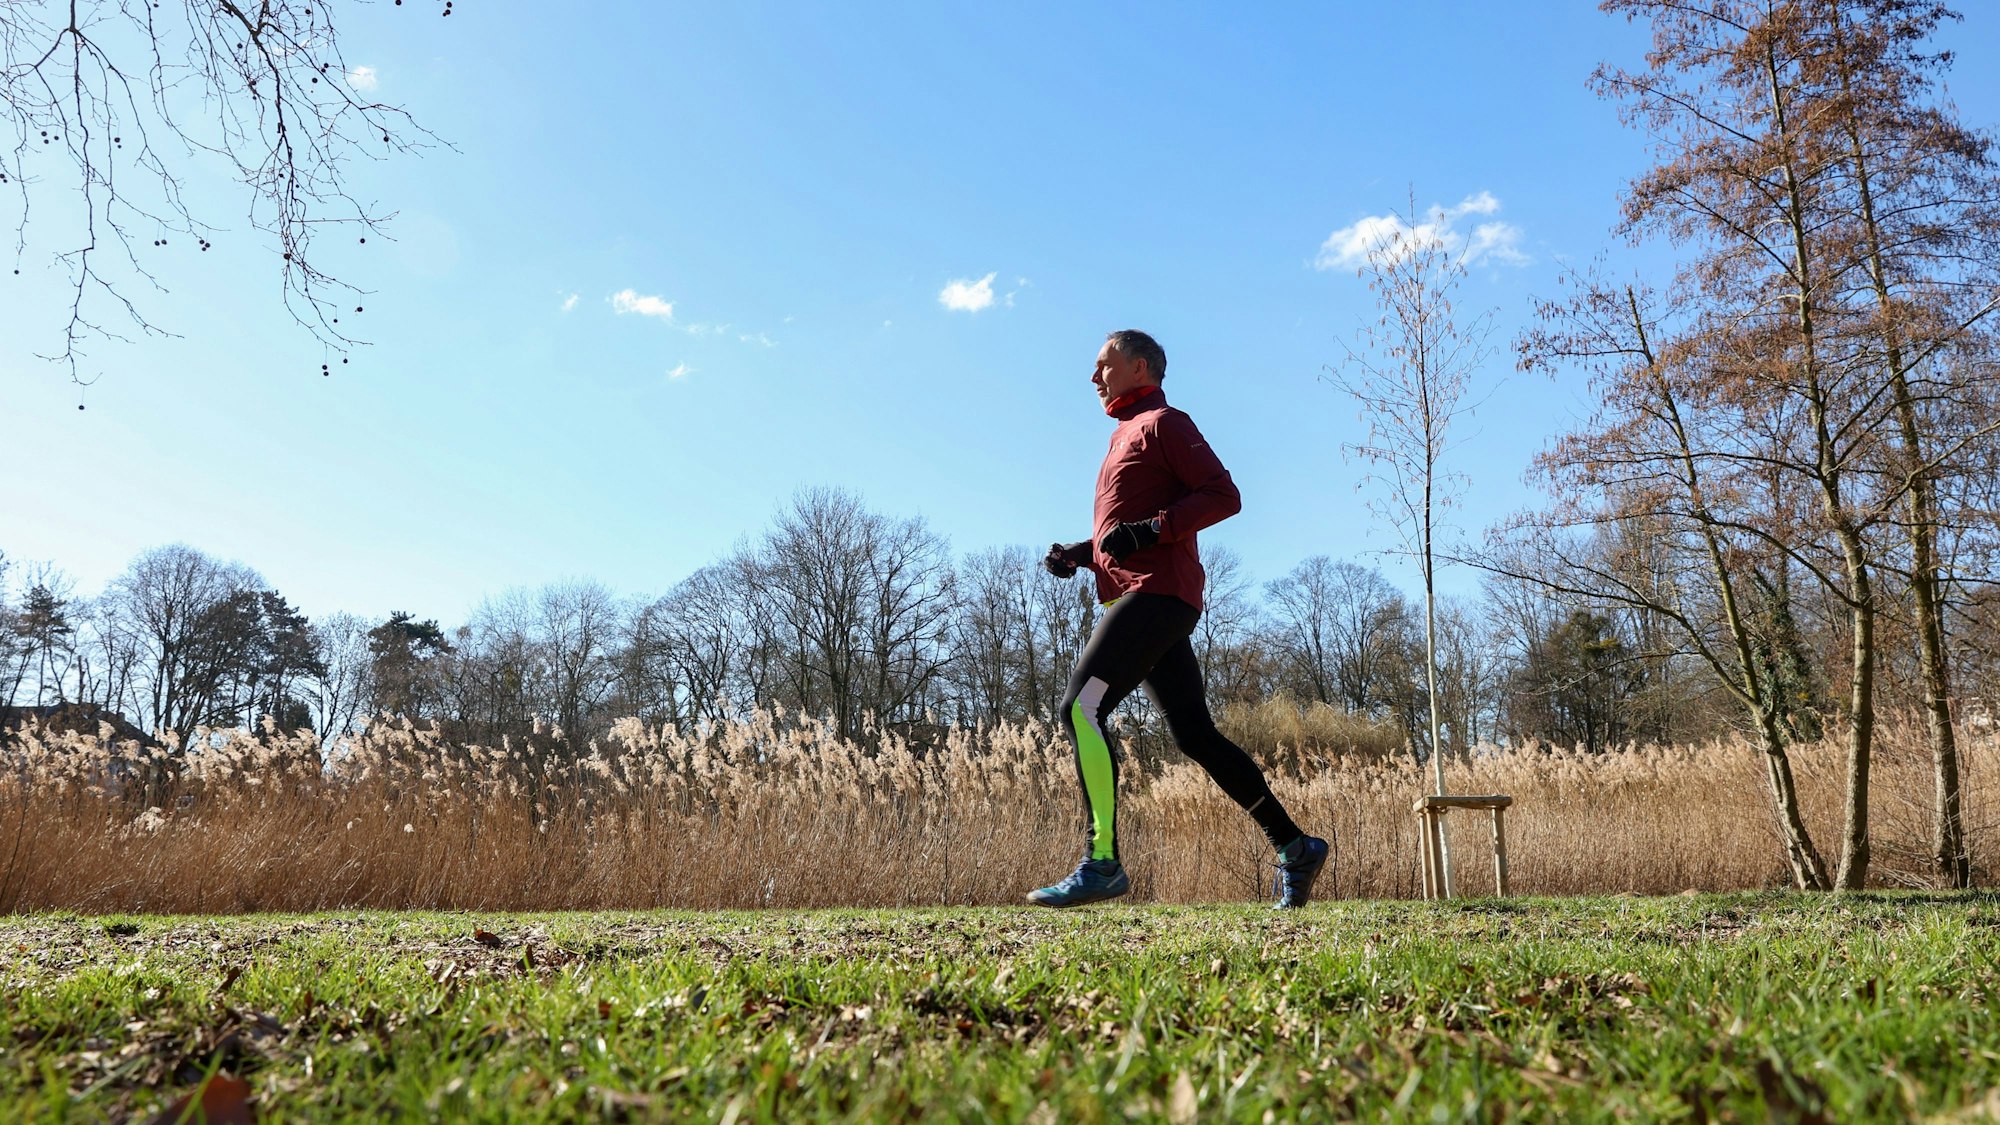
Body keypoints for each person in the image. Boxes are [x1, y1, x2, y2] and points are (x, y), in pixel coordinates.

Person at [1029, 329, 1329, 909]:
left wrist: (1151, 530)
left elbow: (1223, 495)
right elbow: (1127, 533)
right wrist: (1082, 552)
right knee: (1194, 734)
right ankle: (1295, 846)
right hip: (1137, 594)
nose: (1095, 377)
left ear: (1141, 367)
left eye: (1104, 365)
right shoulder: (1122, 436)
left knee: (1080, 708)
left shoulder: (1167, 423)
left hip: (1159, 593)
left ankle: (1102, 861)